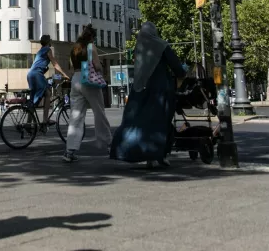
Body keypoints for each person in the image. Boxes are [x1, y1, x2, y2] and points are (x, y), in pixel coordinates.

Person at [110, 22, 188, 168]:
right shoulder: (161, 45)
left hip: (139, 90)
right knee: (160, 122)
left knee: (139, 123)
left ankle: (137, 154)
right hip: (161, 90)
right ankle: (159, 155)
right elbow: (176, 66)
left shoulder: (139, 48)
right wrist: (183, 72)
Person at [63, 25, 112, 163]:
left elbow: (72, 66)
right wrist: (101, 67)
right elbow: (96, 65)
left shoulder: (75, 48)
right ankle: (109, 144)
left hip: (76, 80)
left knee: (76, 117)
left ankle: (69, 151)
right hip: (89, 80)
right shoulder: (91, 47)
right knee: (99, 113)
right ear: (92, 37)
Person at [27, 35, 68, 129]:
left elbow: (38, 65)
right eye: (50, 41)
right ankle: (45, 120)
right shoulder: (47, 49)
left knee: (33, 101)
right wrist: (64, 74)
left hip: (30, 75)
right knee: (48, 93)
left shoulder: (39, 51)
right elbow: (55, 63)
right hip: (37, 75)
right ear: (48, 42)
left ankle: (28, 124)